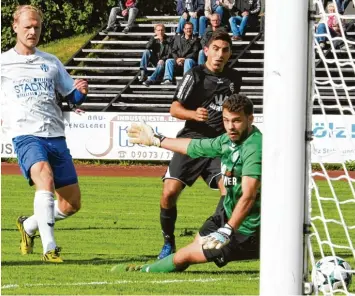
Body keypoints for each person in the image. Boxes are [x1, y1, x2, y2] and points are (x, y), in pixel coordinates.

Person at [125, 93, 261, 272]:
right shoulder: (228, 139)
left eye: (236, 121)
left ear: (250, 119)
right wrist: (158, 140)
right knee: (194, 244)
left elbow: (249, 195)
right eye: (226, 120)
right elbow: (194, 147)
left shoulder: (254, 148)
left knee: (185, 255)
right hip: (228, 212)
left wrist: (227, 230)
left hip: (248, 229)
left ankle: (142, 272)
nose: (230, 127)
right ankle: (150, 269)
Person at [0, 5, 88, 263]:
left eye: (37, 27)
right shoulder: (3, 63)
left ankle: (28, 226)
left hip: (55, 135)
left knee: (71, 204)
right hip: (25, 134)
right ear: (15, 26)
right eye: (27, 26)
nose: (32, 31)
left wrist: (80, 91)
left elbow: (70, 95)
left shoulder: (51, 62)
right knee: (44, 178)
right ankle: (49, 248)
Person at [155, 29, 243, 260]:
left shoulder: (235, 79)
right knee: (169, 194)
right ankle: (168, 243)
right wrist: (194, 114)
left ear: (229, 53)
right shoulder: (194, 75)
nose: (220, 54)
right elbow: (174, 108)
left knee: (229, 192)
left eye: (225, 50)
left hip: (217, 146)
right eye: (215, 49)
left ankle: (216, 238)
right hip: (191, 141)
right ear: (206, 51)